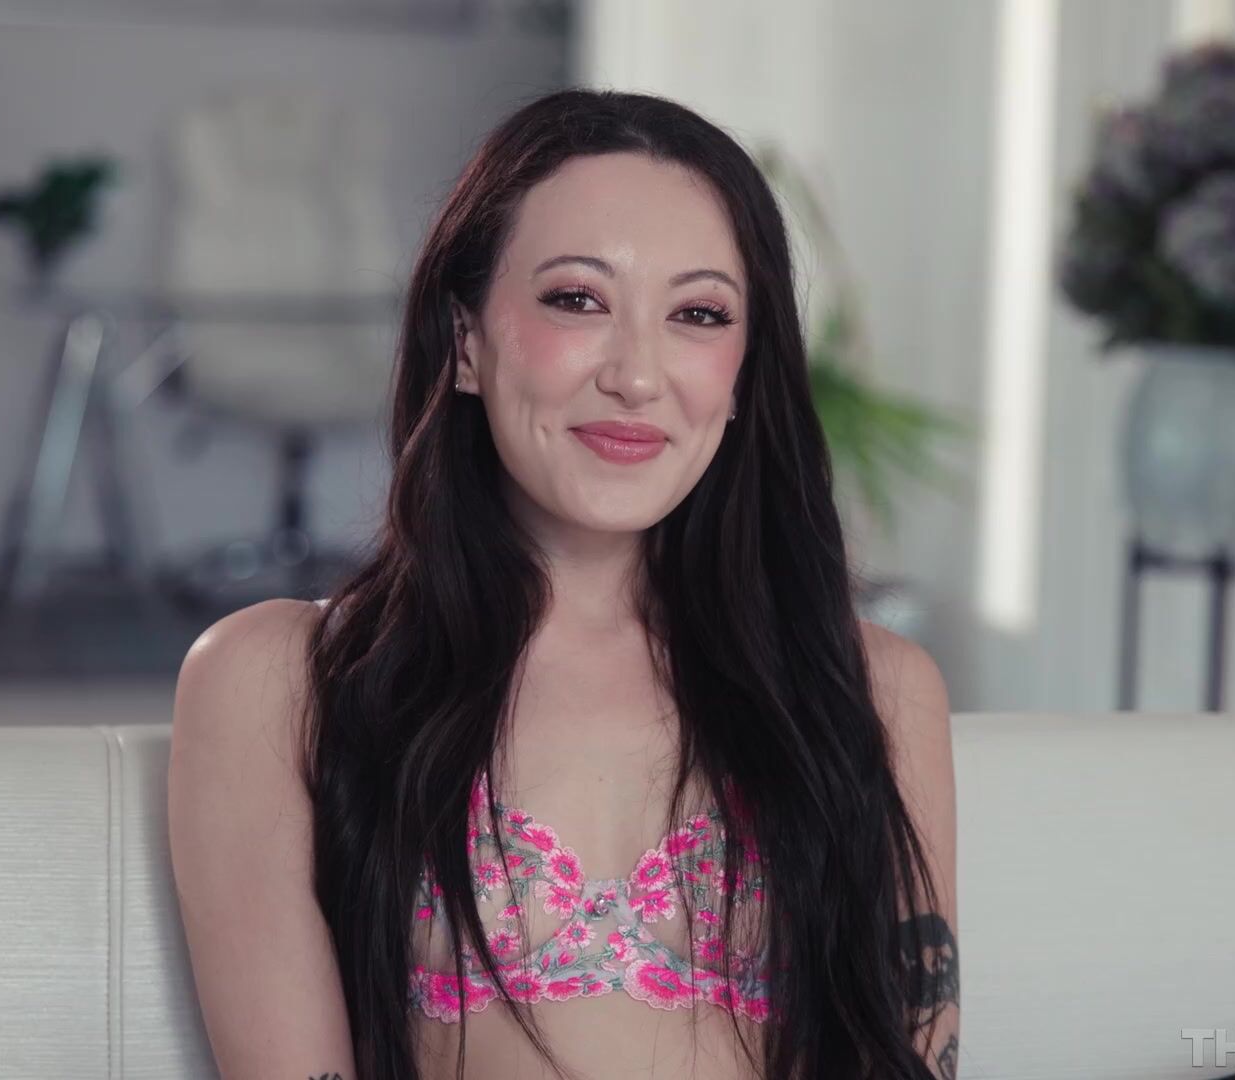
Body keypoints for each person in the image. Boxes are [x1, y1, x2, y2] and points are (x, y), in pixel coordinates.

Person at [167, 87, 958, 1080]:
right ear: (466, 341)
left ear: (742, 377)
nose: (637, 375)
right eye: (577, 300)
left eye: (698, 314)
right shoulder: (275, 681)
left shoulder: (873, 688)